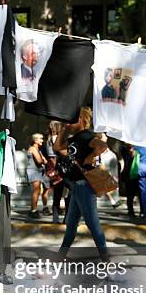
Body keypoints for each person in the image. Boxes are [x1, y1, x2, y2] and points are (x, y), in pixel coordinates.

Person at [54, 107, 109, 261]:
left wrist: (90, 156)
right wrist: (63, 128)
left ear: (82, 119)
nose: (70, 121)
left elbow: (102, 146)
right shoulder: (76, 138)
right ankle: (61, 255)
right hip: (77, 187)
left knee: (92, 224)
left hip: (85, 185)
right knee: (71, 225)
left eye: (74, 118)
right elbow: (57, 147)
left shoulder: (85, 136)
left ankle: (105, 259)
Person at [26, 133, 47, 219]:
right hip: (34, 171)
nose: (42, 140)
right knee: (36, 190)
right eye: (40, 139)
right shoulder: (33, 149)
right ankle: (33, 210)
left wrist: (42, 160)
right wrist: (42, 159)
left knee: (38, 191)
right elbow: (40, 160)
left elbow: (44, 161)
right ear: (35, 140)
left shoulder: (37, 149)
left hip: (37, 171)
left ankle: (34, 209)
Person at [119, 143, 141, 218]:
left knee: (138, 193)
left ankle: (140, 211)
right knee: (130, 194)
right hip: (129, 174)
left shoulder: (137, 148)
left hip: (136, 172)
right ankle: (131, 211)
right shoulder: (124, 149)